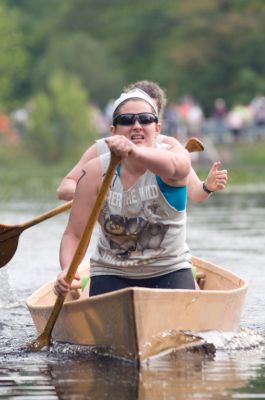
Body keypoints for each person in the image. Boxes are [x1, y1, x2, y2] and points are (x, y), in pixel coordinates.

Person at [54, 88, 196, 297]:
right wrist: (68, 269)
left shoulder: (176, 158)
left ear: (157, 128)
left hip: (169, 269)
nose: (137, 125)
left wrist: (133, 152)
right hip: (111, 271)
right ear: (113, 131)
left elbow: (176, 167)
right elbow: (74, 234)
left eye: (145, 119)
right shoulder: (93, 172)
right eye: (127, 120)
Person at [57, 81, 228, 203]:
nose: (137, 125)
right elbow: (65, 188)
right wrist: (97, 193)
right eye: (130, 118)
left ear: (157, 122)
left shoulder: (170, 147)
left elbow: (195, 193)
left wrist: (207, 187)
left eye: (146, 116)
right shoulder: (103, 147)